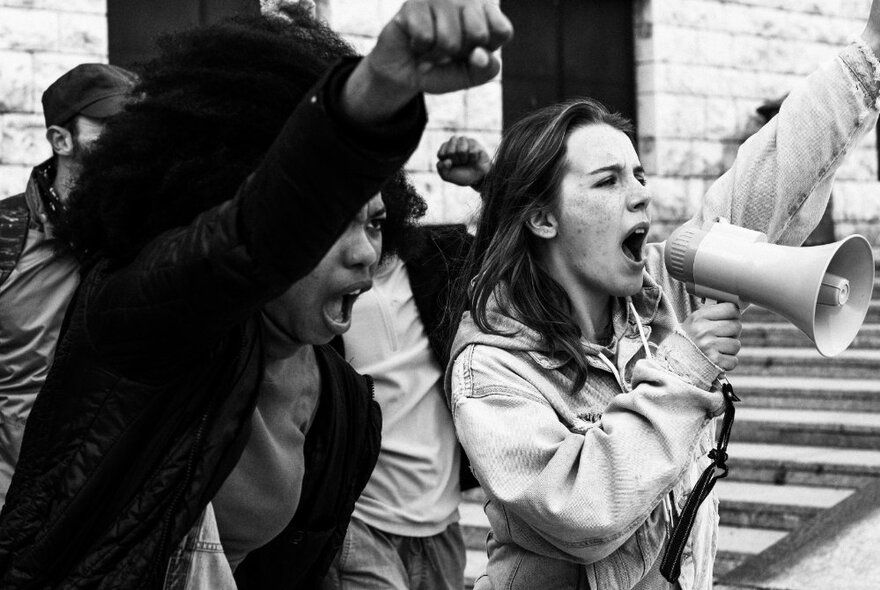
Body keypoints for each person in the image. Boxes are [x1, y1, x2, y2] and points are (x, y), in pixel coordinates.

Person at [0, 2, 513, 589]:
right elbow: (253, 234)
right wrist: (375, 92)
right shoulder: (139, 321)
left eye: (373, 223)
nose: (365, 253)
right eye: (329, 221)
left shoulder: (343, 406)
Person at [445, 3, 880, 589]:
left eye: (640, 175)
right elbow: (580, 509)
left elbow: (769, 178)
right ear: (543, 218)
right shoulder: (492, 366)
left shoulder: (661, 298)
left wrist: (868, 57)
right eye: (608, 181)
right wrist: (685, 370)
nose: (641, 197)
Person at [323, 135, 489, 590]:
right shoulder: (315, 291)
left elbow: (526, 255)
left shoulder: (440, 260)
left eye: (374, 221)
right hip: (357, 527)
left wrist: (488, 183)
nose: (362, 241)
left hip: (440, 527)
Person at [0, 63, 137, 509]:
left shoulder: (152, 238)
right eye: (111, 126)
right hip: (16, 510)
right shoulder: (7, 234)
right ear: (61, 140)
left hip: (115, 511)